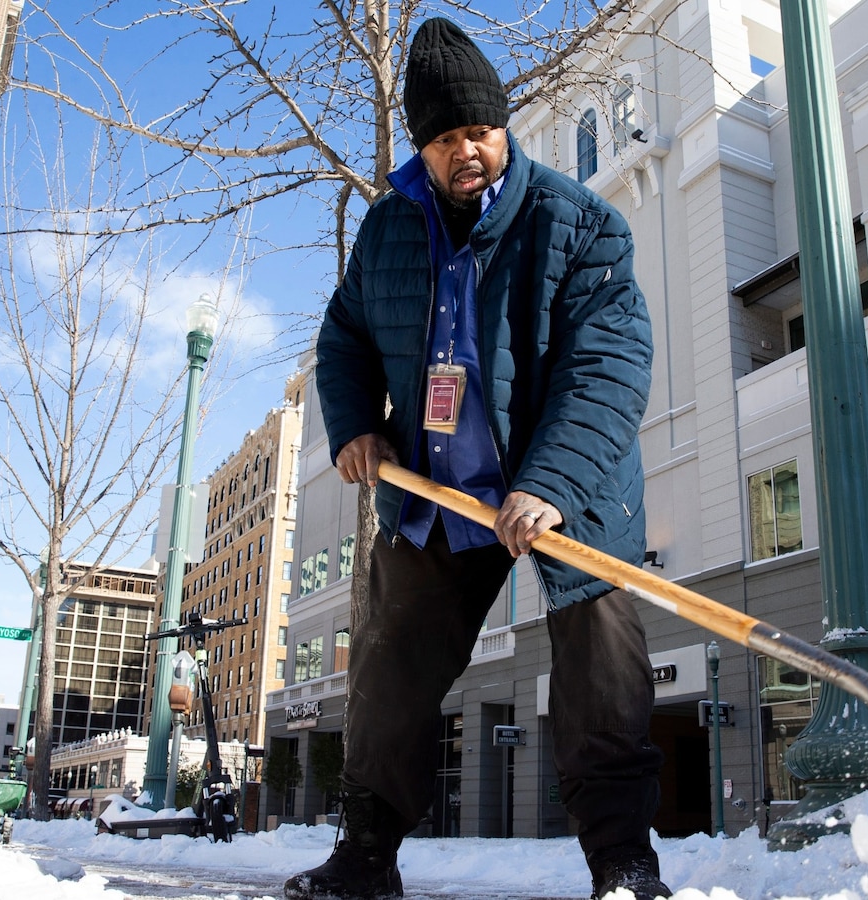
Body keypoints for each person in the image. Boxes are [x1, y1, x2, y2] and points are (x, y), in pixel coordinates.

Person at [285, 17, 665, 900]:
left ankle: (624, 866)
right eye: (446, 138)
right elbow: (344, 338)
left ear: (503, 127)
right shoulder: (388, 230)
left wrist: (550, 483)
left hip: (567, 488)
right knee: (389, 670)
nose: (468, 153)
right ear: (422, 146)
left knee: (603, 673)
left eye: (482, 131)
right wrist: (356, 425)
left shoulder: (580, 225)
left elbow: (609, 366)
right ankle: (366, 858)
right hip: (436, 493)